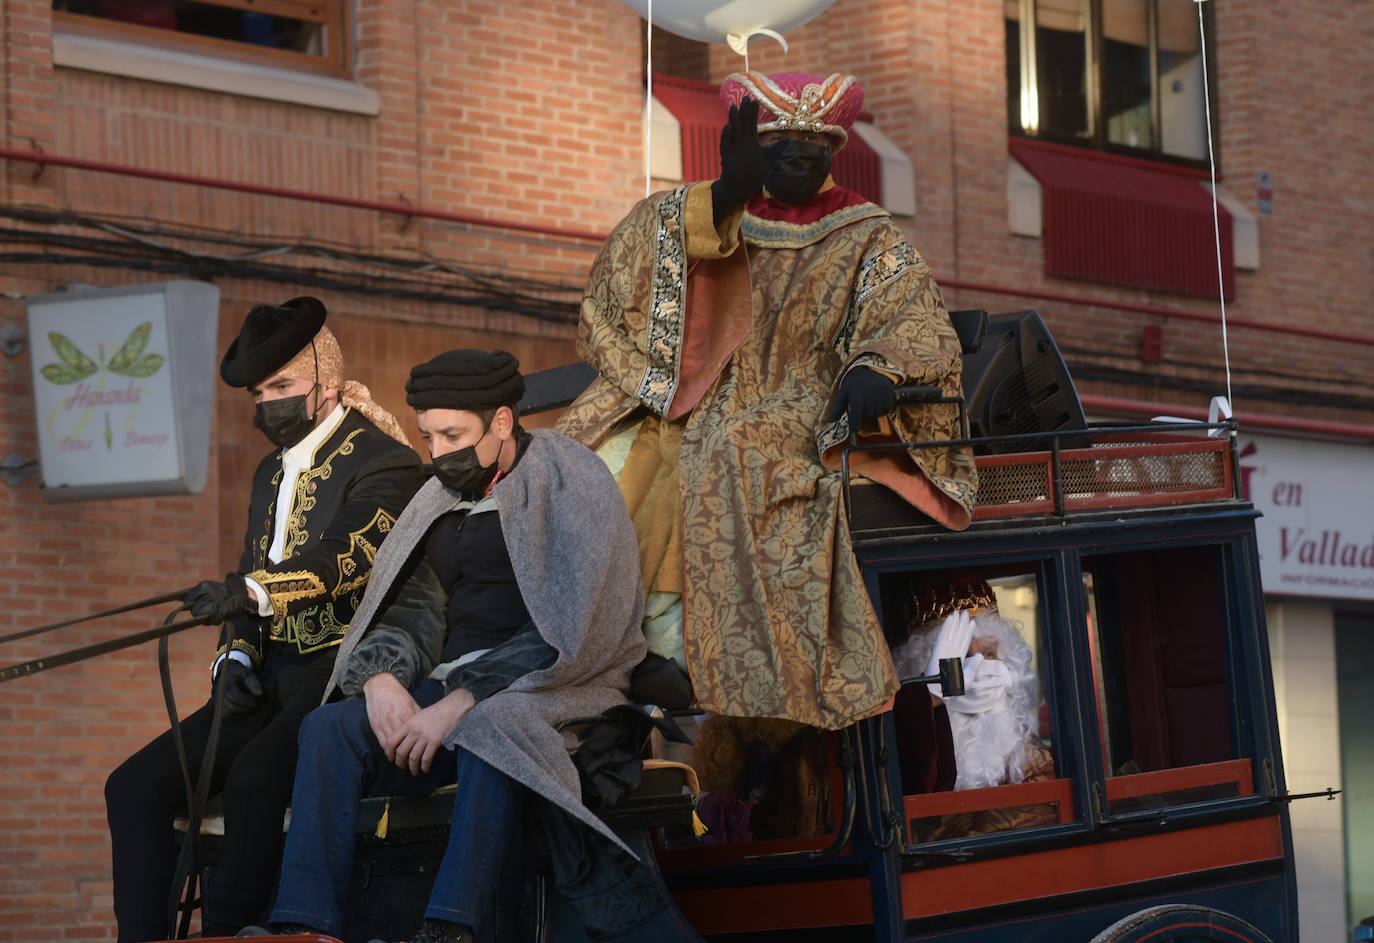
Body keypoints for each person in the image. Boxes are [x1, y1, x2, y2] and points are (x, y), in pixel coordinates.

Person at [558, 70, 977, 731]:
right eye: (780, 149)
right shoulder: (720, 212)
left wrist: (879, 367)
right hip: (696, 389)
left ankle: (703, 658)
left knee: (732, 455)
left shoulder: (867, 233)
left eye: (810, 149)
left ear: (832, 152)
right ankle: (615, 641)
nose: (795, 161)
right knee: (589, 457)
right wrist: (724, 193)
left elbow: (914, 316)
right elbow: (628, 273)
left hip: (805, 396)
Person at [253, 350, 660, 943]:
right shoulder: (437, 495)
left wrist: (462, 699)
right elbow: (414, 604)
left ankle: (451, 926)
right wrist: (382, 679)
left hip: (554, 684)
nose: (439, 451)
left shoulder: (571, 479)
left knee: (495, 727)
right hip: (445, 684)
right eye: (428, 437)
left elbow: (582, 620)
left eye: (453, 435)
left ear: (500, 422)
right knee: (327, 730)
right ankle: (305, 924)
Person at [104, 296, 424, 941]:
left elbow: (348, 558)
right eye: (258, 392)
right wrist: (235, 658)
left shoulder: (385, 458)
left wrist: (244, 593)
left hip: (338, 671)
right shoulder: (267, 473)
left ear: (325, 381)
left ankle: (228, 931)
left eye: (282, 386)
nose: (266, 403)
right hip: (268, 676)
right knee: (132, 787)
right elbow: (254, 562)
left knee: (253, 781)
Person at [891, 579, 1057, 837]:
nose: (977, 668)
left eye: (989, 653)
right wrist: (931, 695)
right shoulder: (900, 737)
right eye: (962, 658)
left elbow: (1038, 818)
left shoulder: (1029, 755)